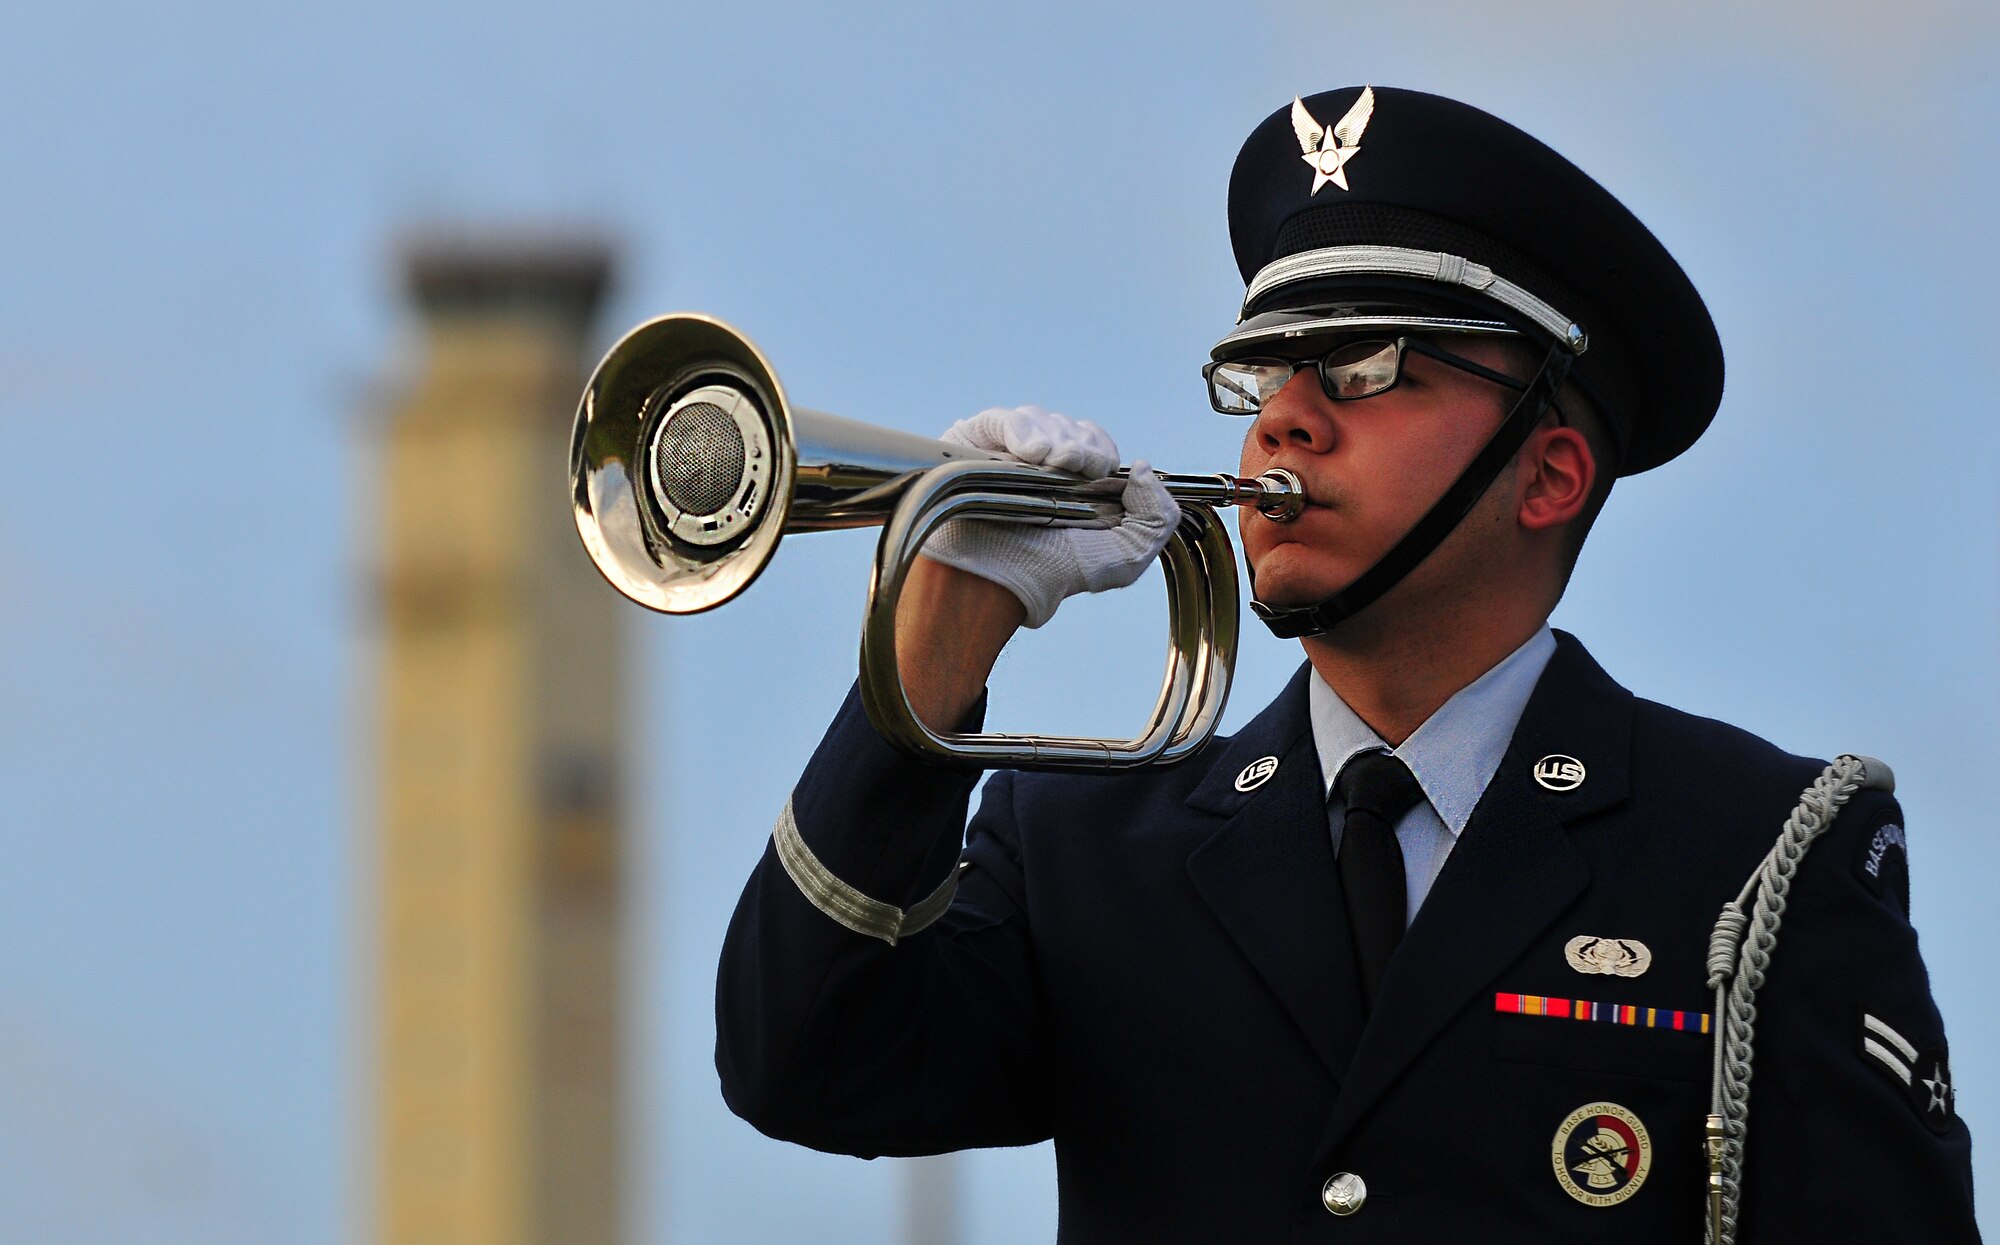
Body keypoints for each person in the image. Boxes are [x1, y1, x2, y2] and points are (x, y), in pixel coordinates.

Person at [714, 86, 1979, 1241]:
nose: (1283, 415)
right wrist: (940, 626)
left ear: (1547, 475)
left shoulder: (1757, 852)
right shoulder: (1083, 849)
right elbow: (801, 1060)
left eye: (1366, 365)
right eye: (1263, 372)